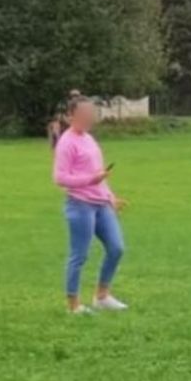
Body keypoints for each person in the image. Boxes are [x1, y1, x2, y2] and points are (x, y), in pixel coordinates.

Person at [53, 96, 129, 315]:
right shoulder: (67, 142)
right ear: (71, 117)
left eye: (91, 113)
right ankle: (73, 305)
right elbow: (59, 177)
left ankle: (102, 296)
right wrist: (89, 181)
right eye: (84, 114)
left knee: (116, 248)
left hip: (100, 203)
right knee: (79, 255)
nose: (89, 117)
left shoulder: (89, 139)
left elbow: (99, 174)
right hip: (80, 205)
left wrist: (111, 197)